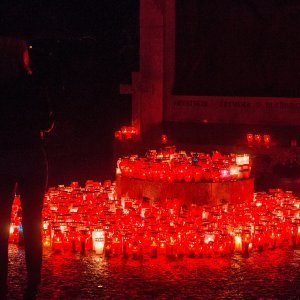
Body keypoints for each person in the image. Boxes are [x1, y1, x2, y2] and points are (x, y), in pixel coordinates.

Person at [0, 37, 54, 298]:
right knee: (33, 221)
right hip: (31, 156)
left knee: (1, 221)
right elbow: (46, 122)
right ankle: (33, 284)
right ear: (23, 58)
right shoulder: (34, 85)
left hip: (3, 156)